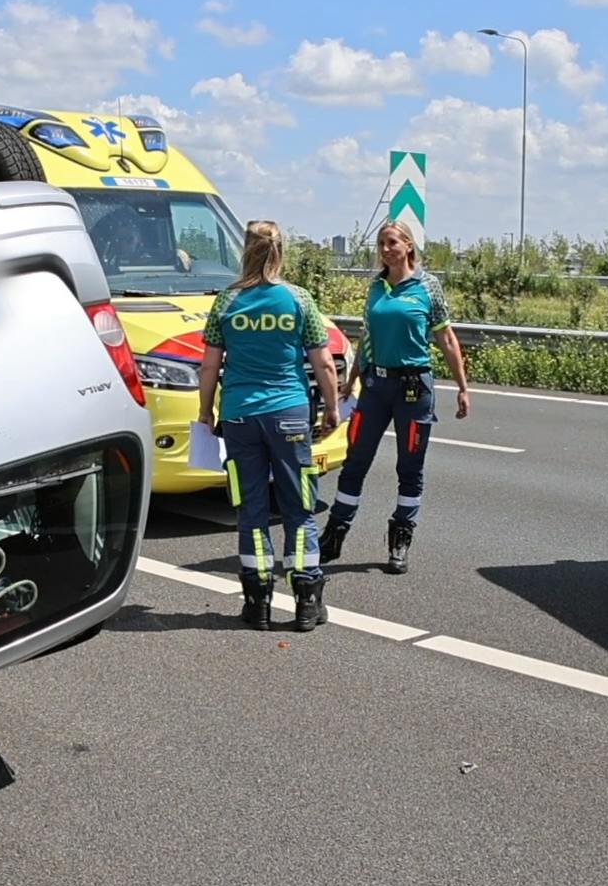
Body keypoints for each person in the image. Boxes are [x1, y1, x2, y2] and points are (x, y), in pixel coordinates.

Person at [196, 221, 341, 632]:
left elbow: (210, 364)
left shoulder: (227, 301)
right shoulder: (298, 299)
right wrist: (332, 408)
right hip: (290, 414)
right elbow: (323, 361)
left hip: (240, 415)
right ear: (281, 250)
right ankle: (307, 603)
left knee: (252, 510)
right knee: (299, 509)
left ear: (245, 250)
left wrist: (206, 411)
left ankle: (257, 602)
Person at [319, 222, 472, 574]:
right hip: (375, 386)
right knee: (356, 460)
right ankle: (335, 534)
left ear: (408, 246)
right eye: (381, 244)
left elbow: (446, 339)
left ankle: (400, 537)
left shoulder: (427, 287)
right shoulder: (376, 287)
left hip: (413, 388)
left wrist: (463, 387)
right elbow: (367, 337)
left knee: (410, 467)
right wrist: (353, 379)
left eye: (392, 243)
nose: (386, 249)